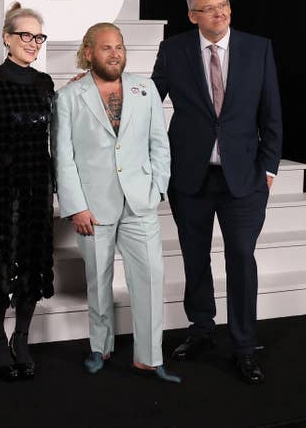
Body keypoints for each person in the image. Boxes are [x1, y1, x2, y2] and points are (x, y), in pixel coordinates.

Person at [151, 0, 282, 385]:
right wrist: (103, 92)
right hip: (190, 176)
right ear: (193, 16)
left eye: (223, 4)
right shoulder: (174, 50)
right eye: (209, 8)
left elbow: (272, 113)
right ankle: (202, 329)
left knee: (241, 257)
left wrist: (269, 168)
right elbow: (150, 102)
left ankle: (244, 346)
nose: (220, 13)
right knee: (195, 256)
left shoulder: (257, 48)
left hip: (244, 178)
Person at [53, 22, 179, 383]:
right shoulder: (69, 97)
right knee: (98, 279)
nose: (115, 54)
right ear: (89, 52)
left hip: (140, 200)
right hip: (92, 207)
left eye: (120, 47)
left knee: (151, 278)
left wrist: (157, 188)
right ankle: (100, 346)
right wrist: (75, 206)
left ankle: (150, 358)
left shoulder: (146, 88)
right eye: (106, 48)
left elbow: (160, 143)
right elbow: (63, 156)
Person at [0, 2, 55, 381]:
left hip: (36, 188)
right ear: (6, 38)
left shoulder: (44, 83)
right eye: (25, 35)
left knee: (32, 267)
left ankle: (22, 338)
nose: (33, 42)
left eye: (38, 36)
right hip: (1, 194)